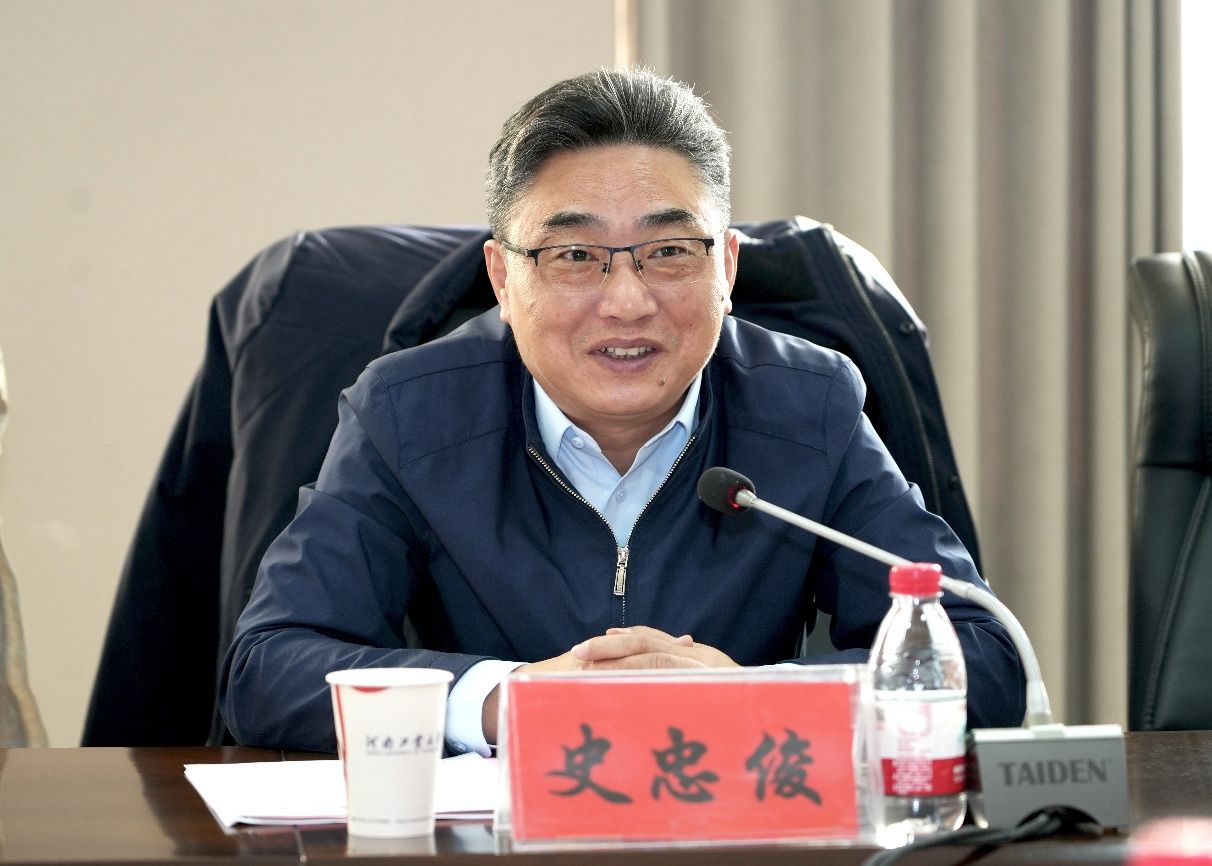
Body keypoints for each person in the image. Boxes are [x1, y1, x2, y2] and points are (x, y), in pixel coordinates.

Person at [219, 68, 1025, 754]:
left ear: (728, 269)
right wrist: (510, 701)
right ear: (502, 279)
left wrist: (756, 699)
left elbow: (982, 658)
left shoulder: (809, 405)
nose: (628, 302)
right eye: (575, 256)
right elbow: (267, 667)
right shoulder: (410, 414)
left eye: (669, 252)